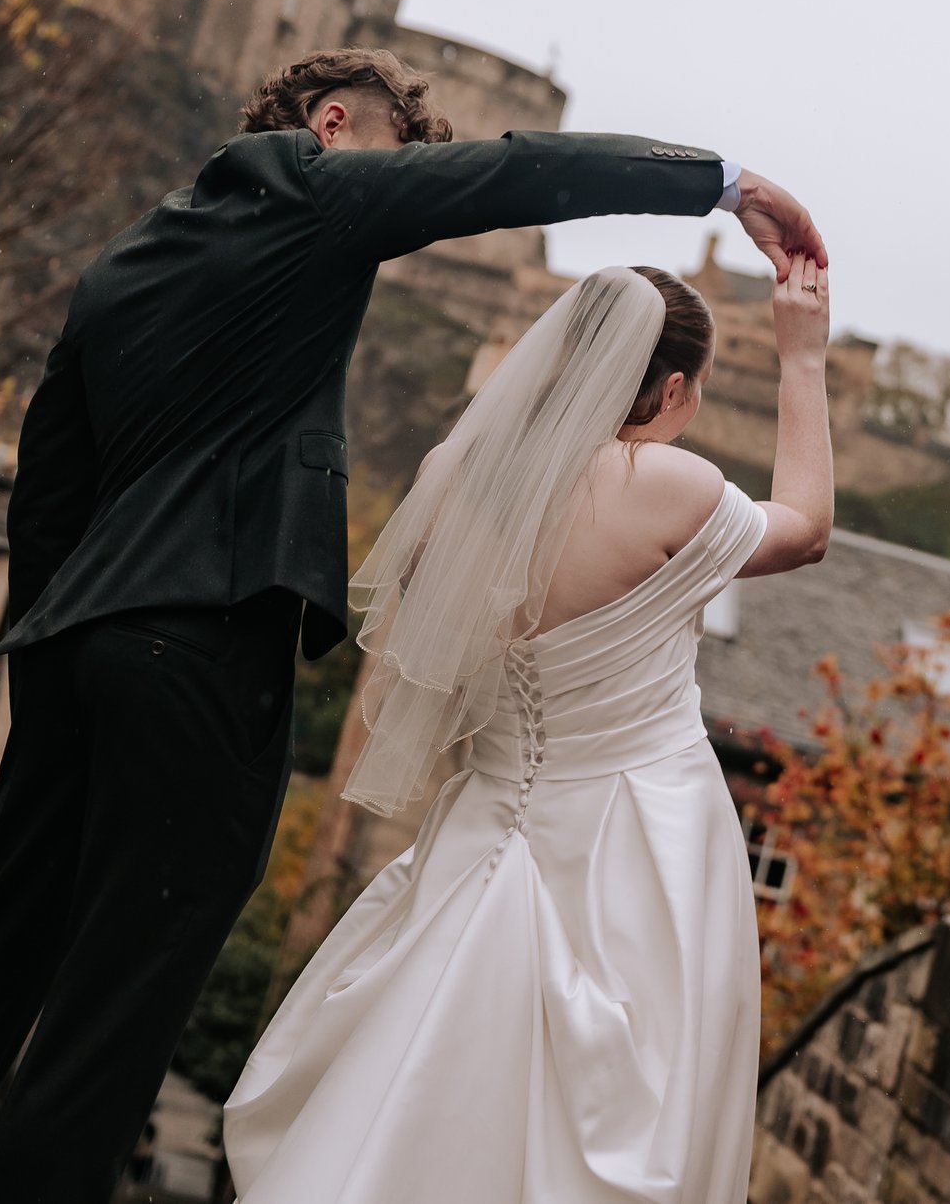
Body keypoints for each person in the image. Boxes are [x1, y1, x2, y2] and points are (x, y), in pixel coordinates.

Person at [0, 48, 825, 1204]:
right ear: (337, 121)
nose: (402, 186)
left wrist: (52, 642)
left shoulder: (122, 263)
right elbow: (508, 173)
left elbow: (47, 489)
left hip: (74, 644)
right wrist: (722, 180)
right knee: (114, 1008)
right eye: (401, 157)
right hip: (202, 651)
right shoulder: (311, 187)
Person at [223, 256, 835, 1203]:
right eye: (697, 391)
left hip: (481, 824)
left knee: (413, 1076)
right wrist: (802, 358)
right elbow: (806, 527)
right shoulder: (665, 485)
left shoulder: (455, 474)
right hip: (636, 839)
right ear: (670, 387)